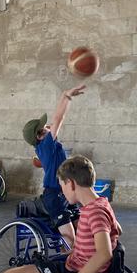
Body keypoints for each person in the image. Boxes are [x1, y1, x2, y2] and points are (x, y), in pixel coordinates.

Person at [21, 84, 87, 247]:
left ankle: (80, 262)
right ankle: (68, 268)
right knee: (70, 240)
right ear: (40, 135)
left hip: (66, 194)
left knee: (83, 231)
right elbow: (58, 119)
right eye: (43, 127)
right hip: (55, 196)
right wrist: (66, 96)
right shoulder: (46, 145)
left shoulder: (47, 146)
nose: (47, 126)